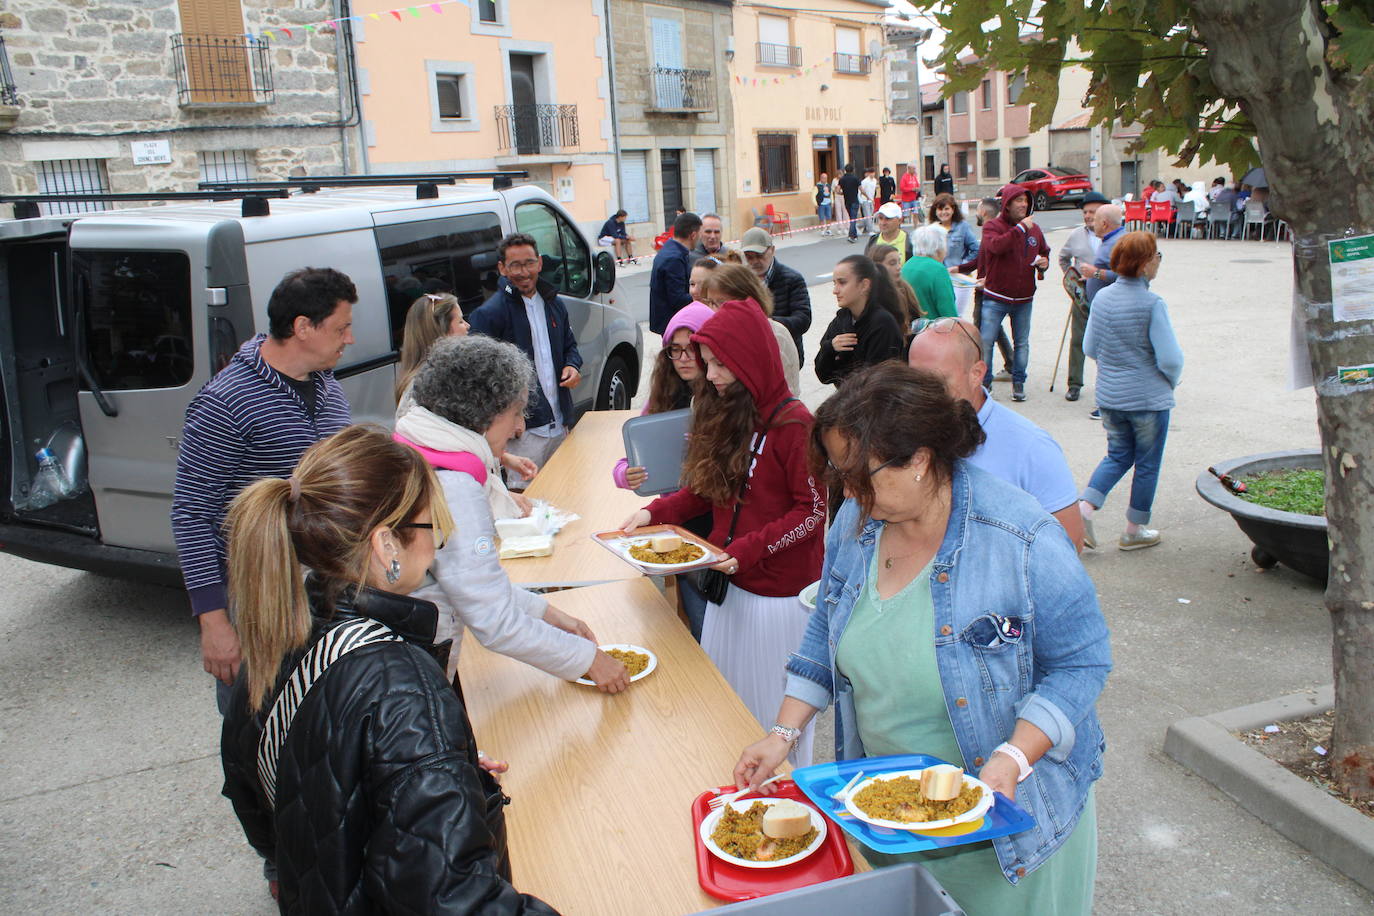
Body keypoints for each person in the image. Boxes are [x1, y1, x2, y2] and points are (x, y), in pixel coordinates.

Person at [733, 362, 1110, 916]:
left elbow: (1082, 665)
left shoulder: (1021, 538)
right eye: (841, 477)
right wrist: (782, 734)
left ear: (921, 459)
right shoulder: (856, 526)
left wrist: (1012, 756)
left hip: (1005, 835)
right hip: (889, 819)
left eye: (863, 476)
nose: (851, 494)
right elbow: (825, 630)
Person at [219, 426, 558, 914]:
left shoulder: (280, 635)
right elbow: (459, 902)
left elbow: (252, 782)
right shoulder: (405, 687)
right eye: (430, 526)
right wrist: (421, 756)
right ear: (386, 546)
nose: (438, 541)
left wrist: (419, 769)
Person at [623, 300, 826, 764]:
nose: (710, 374)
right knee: (723, 713)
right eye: (708, 363)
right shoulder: (729, 413)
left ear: (750, 359)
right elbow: (704, 491)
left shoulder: (796, 425)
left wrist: (747, 549)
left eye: (719, 364)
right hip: (727, 589)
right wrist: (654, 513)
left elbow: (812, 512)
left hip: (778, 600)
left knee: (772, 726)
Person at [394, 336, 629, 694]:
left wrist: (548, 613)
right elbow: (494, 619)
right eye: (516, 413)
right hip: (412, 669)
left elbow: (474, 581)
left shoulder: (419, 447)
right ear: (485, 413)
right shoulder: (455, 486)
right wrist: (588, 659)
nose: (520, 427)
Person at [172, 267, 356, 708]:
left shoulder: (329, 388)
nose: (349, 339)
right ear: (302, 328)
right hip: (258, 596)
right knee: (257, 721)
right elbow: (192, 515)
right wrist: (214, 624)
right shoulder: (226, 401)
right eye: (341, 327)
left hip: (324, 590)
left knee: (318, 720)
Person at [909, 318, 1085, 550]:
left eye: (938, 381)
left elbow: (1070, 544)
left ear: (976, 373)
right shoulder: (903, 429)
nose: (923, 394)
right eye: (914, 380)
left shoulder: (1031, 447)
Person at [610, 305, 715, 641]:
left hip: (722, 520)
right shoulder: (663, 395)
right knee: (698, 617)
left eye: (693, 348)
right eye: (675, 349)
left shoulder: (727, 394)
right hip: (677, 521)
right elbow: (625, 463)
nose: (683, 358)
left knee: (720, 615)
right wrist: (628, 475)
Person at [1078, 231, 1183, 552]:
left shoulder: (1104, 297)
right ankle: (1134, 529)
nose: (1158, 261)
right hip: (1148, 399)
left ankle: (1084, 509)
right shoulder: (1152, 304)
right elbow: (1170, 359)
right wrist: (1169, 380)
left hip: (1111, 396)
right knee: (1147, 463)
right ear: (1145, 264)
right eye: (1156, 256)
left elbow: (1090, 346)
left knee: (1118, 454)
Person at [468, 233, 582, 475]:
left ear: (539, 263)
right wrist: (509, 415)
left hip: (560, 423)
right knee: (526, 505)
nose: (524, 272)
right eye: (515, 265)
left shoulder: (554, 303)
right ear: (502, 268)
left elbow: (570, 346)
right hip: (522, 435)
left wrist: (573, 365)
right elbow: (479, 381)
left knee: (567, 495)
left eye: (529, 263)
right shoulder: (489, 314)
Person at [972, 183, 1049, 402]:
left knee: (1022, 342)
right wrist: (1020, 229)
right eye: (1019, 200)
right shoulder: (993, 226)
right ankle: (985, 384)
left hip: (1025, 297)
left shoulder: (1035, 229)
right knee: (986, 341)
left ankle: (1018, 383)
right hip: (996, 296)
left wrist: (1044, 263)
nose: (1024, 204)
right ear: (1007, 204)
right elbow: (996, 247)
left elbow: (1044, 251)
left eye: (1026, 201)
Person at [702, 262, 801, 396]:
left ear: (749, 299)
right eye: (710, 302)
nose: (713, 311)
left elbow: (787, 394)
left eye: (721, 303)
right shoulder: (713, 337)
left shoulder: (776, 335)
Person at [816, 254, 907, 386]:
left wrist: (841, 364)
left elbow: (874, 383)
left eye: (842, 282)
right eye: (834, 283)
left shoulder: (882, 323)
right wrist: (830, 347)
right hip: (849, 401)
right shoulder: (841, 320)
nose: (835, 291)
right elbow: (823, 375)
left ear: (864, 285)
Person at [1056, 192, 1109, 402]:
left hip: (1107, 294)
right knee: (1078, 339)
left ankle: (1105, 384)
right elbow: (1063, 257)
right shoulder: (1077, 234)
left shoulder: (1113, 236)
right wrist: (1072, 279)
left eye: (1093, 212)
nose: (1088, 216)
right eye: (1085, 212)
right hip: (1082, 294)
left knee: (1105, 342)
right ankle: (1074, 384)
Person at [960, 197, 1014, 383]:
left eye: (978, 210)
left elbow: (1001, 264)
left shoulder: (993, 232)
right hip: (983, 288)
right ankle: (1011, 364)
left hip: (988, 290)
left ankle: (984, 374)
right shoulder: (989, 232)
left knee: (984, 329)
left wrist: (988, 281)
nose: (976, 213)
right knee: (992, 328)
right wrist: (959, 269)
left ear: (983, 212)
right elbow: (980, 261)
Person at [740, 226, 812, 364]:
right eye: (749, 257)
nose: (755, 262)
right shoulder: (741, 280)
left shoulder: (792, 279)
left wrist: (768, 324)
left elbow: (803, 319)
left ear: (772, 250)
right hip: (752, 355)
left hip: (784, 355)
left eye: (760, 256)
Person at [396, 293, 469, 409]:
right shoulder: (430, 386)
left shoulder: (425, 380)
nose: (467, 325)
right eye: (460, 321)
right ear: (441, 331)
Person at [649, 211, 702, 335]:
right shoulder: (674, 258)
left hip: (669, 322)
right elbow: (678, 299)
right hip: (673, 325)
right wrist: (703, 297)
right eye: (699, 234)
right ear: (693, 235)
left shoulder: (669, 250)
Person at [931, 193, 979, 316]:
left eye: (946, 209)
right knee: (942, 315)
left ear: (953, 209)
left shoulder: (963, 227)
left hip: (959, 279)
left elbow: (976, 249)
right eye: (940, 209)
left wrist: (962, 266)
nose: (943, 212)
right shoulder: (932, 229)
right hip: (939, 278)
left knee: (956, 315)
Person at [902, 225, 958, 321]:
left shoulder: (907, 265)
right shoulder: (938, 270)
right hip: (932, 330)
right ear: (939, 247)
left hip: (910, 327)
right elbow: (948, 311)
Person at [869, 243, 921, 333]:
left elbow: (916, 319)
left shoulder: (905, 289)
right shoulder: (869, 296)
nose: (899, 267)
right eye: (892, 263)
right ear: (877, 266)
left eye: (899, 262)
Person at [839, 163, 863, 242]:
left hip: (847, 201)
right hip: (854, 201)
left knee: (851, 218)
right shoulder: (855, 178)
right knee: (853, 219)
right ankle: (851, 236)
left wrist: (842, 193)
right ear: (853, 170)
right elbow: (861, 189)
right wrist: (868, 196)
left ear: (845, 170)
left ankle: (854, 235)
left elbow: (837, 190)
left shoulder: (842, 179)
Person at [859, 167, 878, 235]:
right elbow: (861, 191)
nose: (872, 174)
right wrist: (863, 199)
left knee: (871, 215)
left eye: (873, 173)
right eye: (871, 173)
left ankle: (859, 226)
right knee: (868, 215)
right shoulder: (865, 181)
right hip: (865, 200)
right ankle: (870, 230)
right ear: (869, 173)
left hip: (871, 200)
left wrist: (873, 199)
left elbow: (873, 191)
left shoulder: (875, 180)